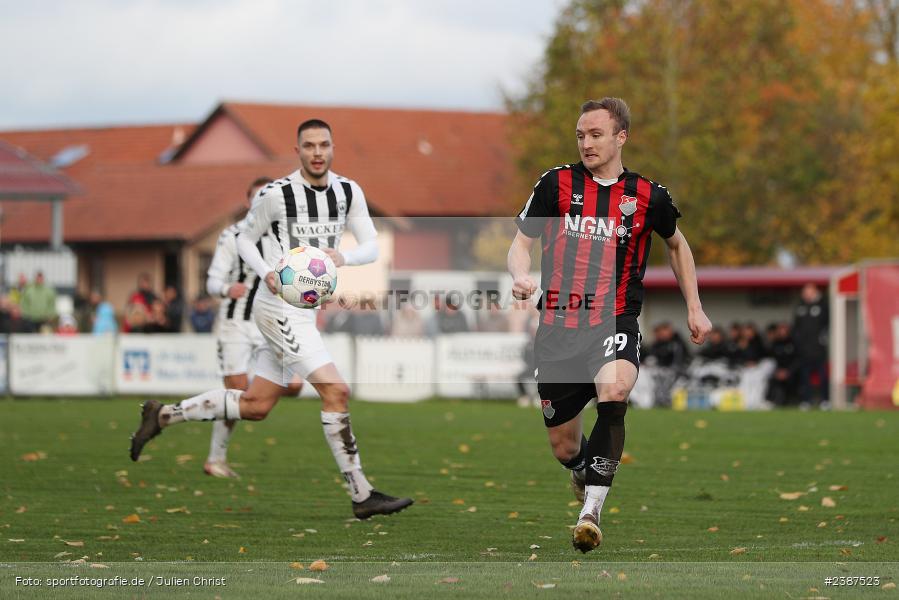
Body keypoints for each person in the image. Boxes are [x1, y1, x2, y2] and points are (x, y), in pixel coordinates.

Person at [130, 118, 413, 519]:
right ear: (298, 151)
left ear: (333, 148)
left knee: (256, 405)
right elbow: (245, 239)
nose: (317, 152)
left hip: (304, 311)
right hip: (277, 306)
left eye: (324, 144)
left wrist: (343, 256)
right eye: (309, 145)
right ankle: (361, 493)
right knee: (336, 391)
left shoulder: (349, 191)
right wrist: (267, 272)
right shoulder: (276, 194)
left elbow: (371, 245)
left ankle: (162, 416)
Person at [507, 98, 711, 553]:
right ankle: (583, 471)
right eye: (581, 135)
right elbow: (520, 243)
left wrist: (694, 307)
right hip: (559, 327)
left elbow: (677, 246)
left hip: (615, 317)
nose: (586, 143)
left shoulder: (649, 196)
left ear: (621, 137)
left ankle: (591, 513)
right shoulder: (555, 184)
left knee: (615, 390)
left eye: (596, 134)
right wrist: (520, 274)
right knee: (564, 447)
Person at [202, 176, 302, 478]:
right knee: (236, 392)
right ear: (248, 202)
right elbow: (212, 281)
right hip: (235, 324)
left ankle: (189, 410)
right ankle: (215, 459)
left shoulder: (286, 237)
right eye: (259, 198)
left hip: (269, 322)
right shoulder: (232, 236)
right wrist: (226, 289)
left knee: (295, 386)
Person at [792, 283, 829, 407]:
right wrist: (798, 343)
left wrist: (822, 340)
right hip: (804, 351)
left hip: (819, 350)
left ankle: (825, 400)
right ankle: (806, 401)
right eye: (804, 292)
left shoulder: (822, 305)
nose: (806, 294)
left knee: (822, 375)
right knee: (805, 376)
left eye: (809, 292)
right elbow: (796, 327)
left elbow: (827, 324)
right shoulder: (800, 307)